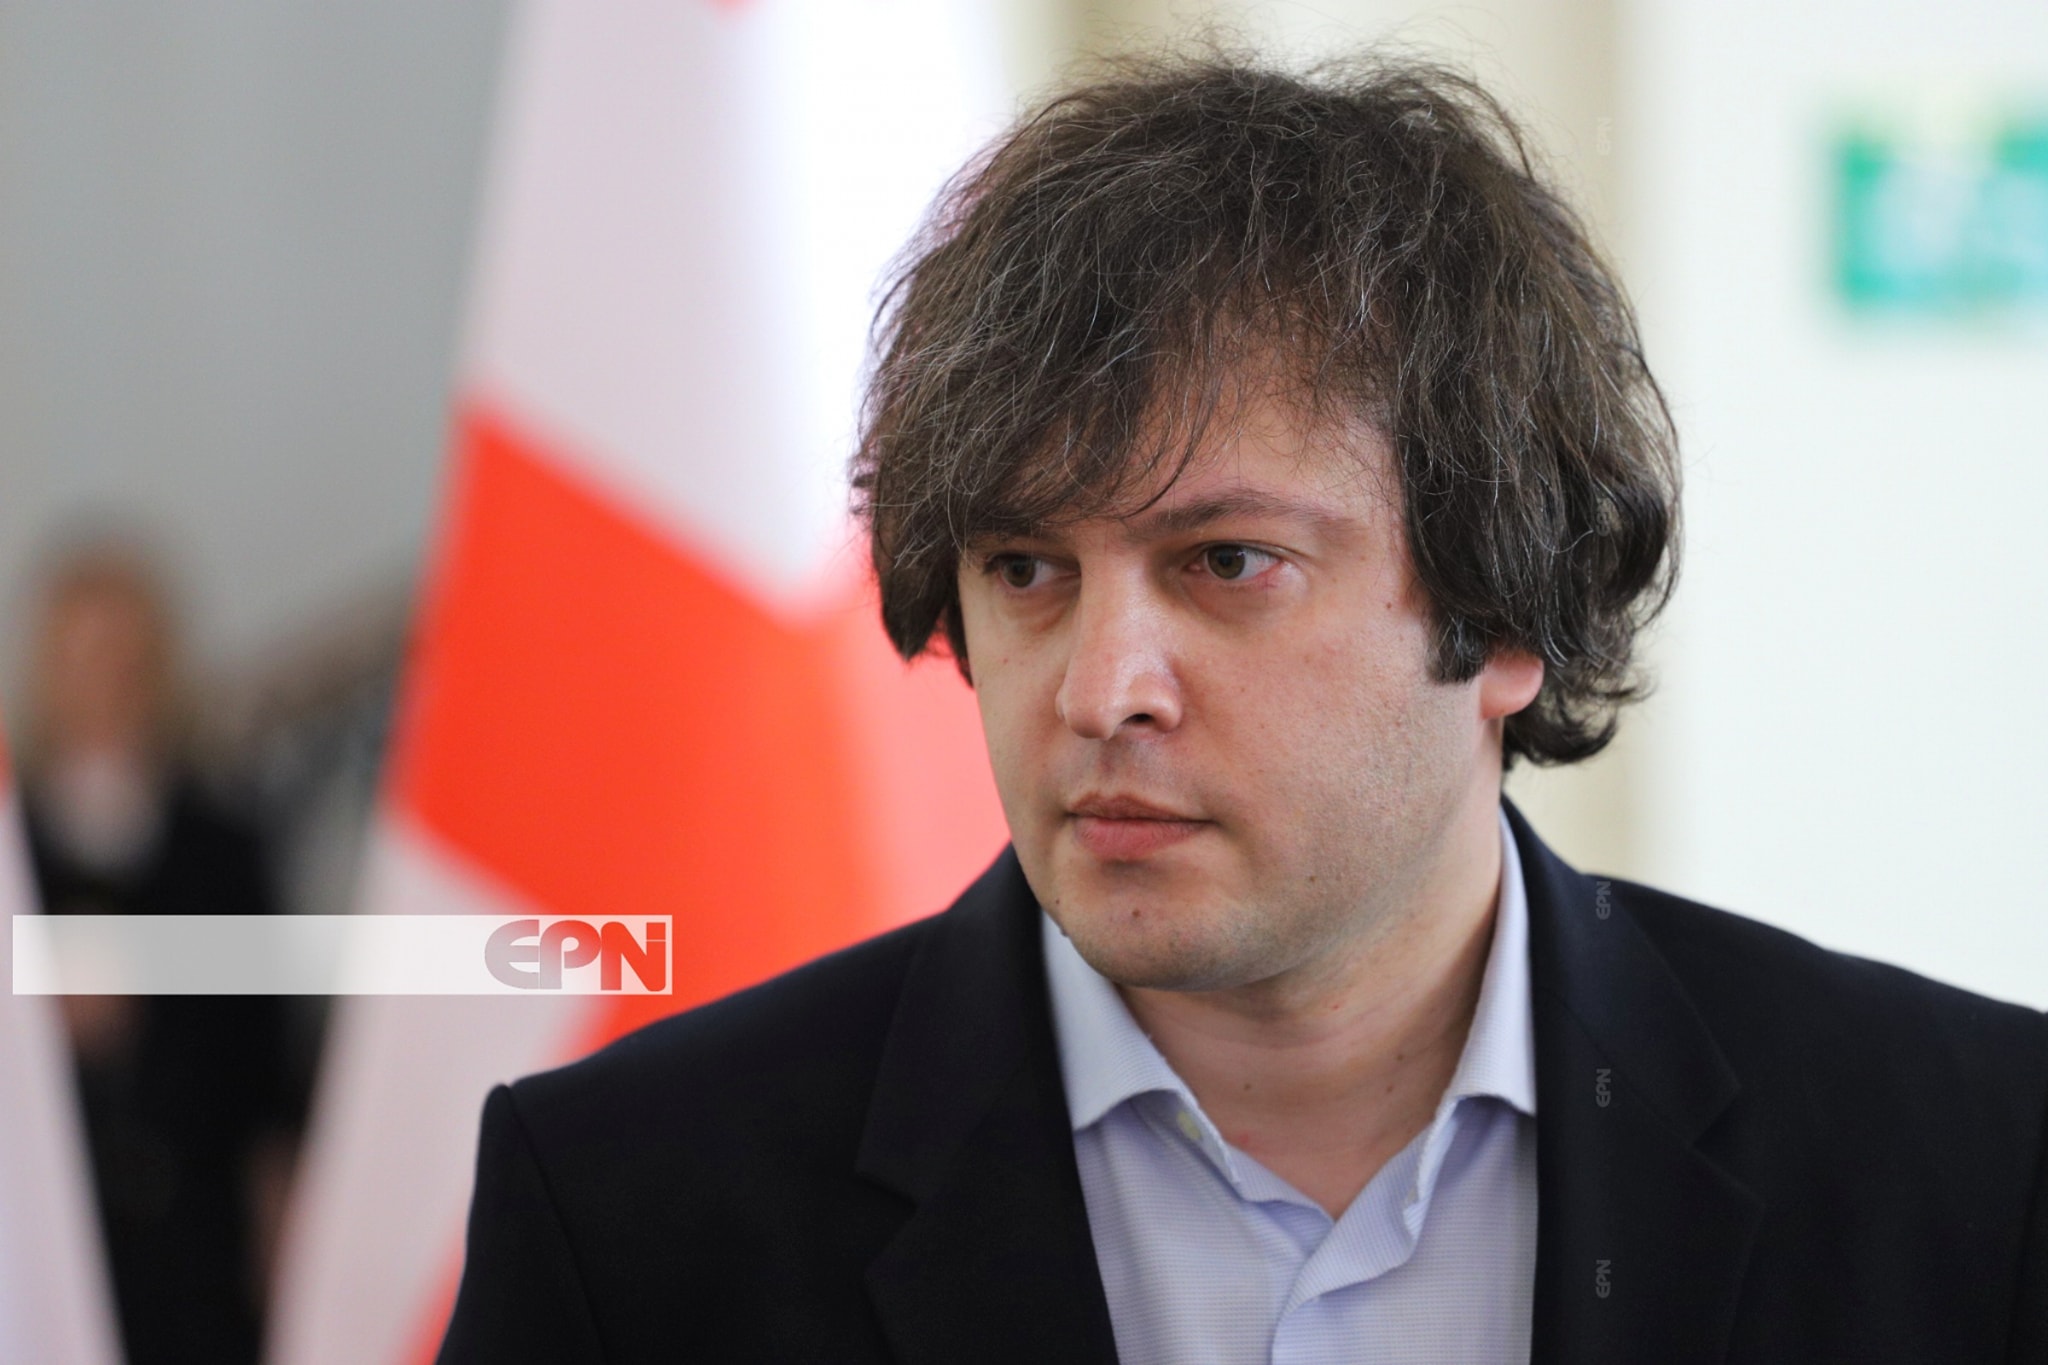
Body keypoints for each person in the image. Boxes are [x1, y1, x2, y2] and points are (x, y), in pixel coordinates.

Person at [437, 56, 2048, 1364]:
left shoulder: (1969, 1165)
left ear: (1506, 606)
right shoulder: (633, 1207)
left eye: (1226, 563)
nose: (1100, 689)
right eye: (1026, 569)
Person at [18, 541, 303, 1365]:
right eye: (83, 660)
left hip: (198, 1256)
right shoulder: (13, 855)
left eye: (126, 660)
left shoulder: (223, 850)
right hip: (50, 1249)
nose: (106, 686)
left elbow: (266, 1058)